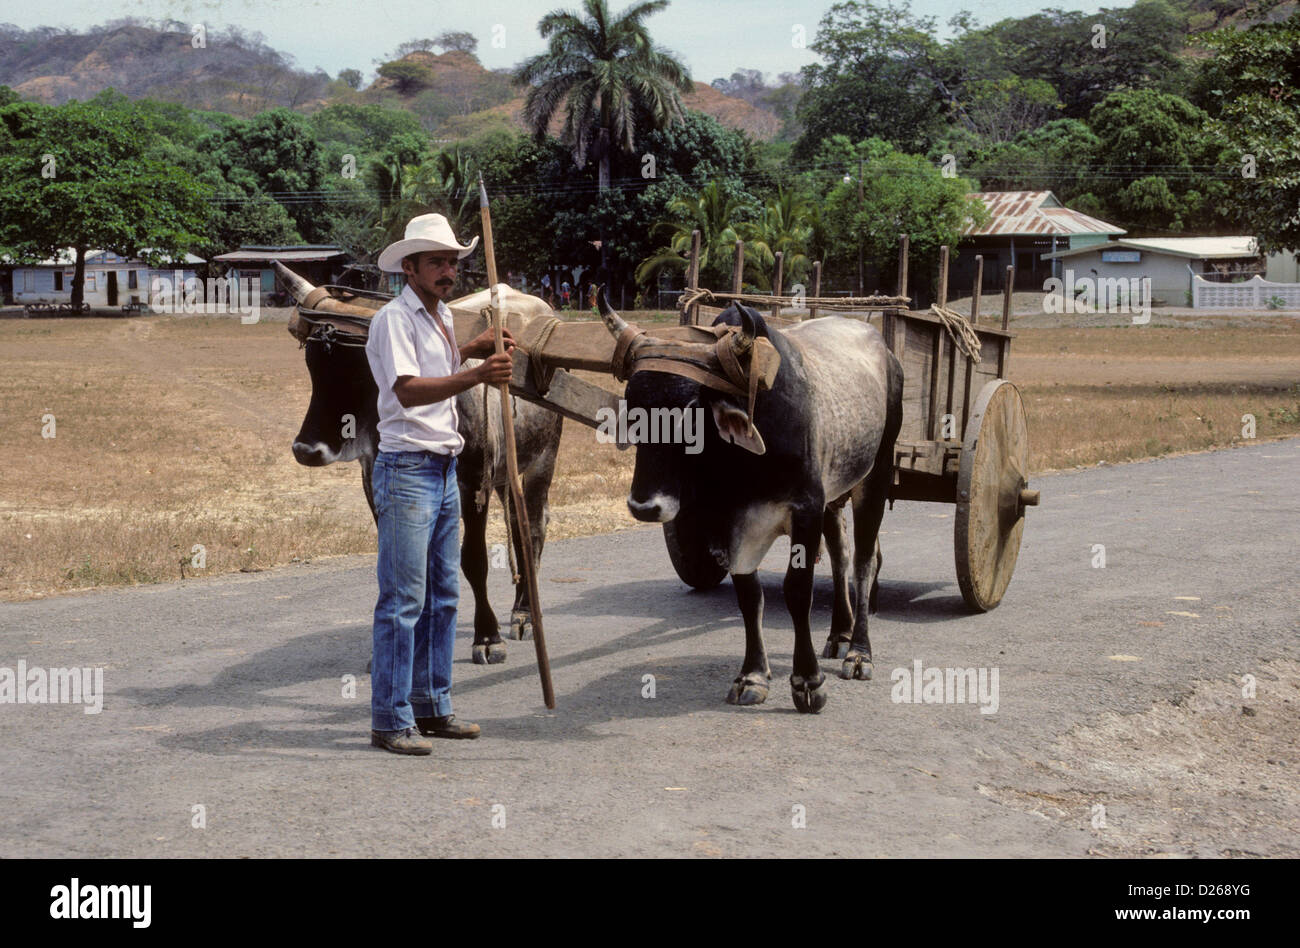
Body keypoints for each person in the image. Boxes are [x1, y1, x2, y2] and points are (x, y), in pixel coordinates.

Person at [365, 213, 516, 756]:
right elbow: (407, 390)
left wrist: (471, 352)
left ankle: (431, 705)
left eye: (453, 261)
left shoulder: (444, 317)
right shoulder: (392, 320)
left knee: (444, 596)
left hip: (443, 469)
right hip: (407, 469)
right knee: (404, 600)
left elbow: (440, 365)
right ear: (409, 267)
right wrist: (477, 375)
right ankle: (389, 719)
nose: (449, 271)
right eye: (437, 262)